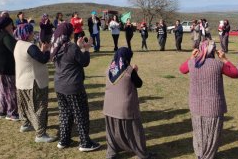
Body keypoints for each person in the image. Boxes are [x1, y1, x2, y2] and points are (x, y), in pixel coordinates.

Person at [179, 40, 238, 159]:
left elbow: (182, 69)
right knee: (211, 135)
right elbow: (236, 73)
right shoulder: (218, 64)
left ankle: (200, 154)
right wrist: (224, 59)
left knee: (198, 132)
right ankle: (208, 155)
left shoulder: (193, 63)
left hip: (196, 106)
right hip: (213, 107)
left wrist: (191, 57)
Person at [51, 23, 101, 151]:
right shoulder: (71, 47)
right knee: (81, 114)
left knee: (65, 113)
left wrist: (79, 47)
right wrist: (86, 48)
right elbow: (84, 61)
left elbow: (70, 59)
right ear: (69, 33)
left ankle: (64, 140)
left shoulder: (56, 46)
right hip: (72, 86)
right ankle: (85, 143)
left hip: (59, 86)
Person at [103, 47, 154, 159]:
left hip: (109, 107)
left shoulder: (108, 69)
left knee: (111, 131)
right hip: (125, 108)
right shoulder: (129, 71)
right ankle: (142, 153)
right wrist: (134, 71)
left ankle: (111, 153)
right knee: (135, 131)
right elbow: (139, 83)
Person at [14, 23, 57, 143]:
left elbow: (34, 57)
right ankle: (40, 134)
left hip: (21, 81)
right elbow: (43, 59)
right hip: (34, 82)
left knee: (24, 105)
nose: (34, 34)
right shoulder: (30, 46)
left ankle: (26, 124)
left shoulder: (18, 44)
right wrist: (47, 50)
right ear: (27, 34)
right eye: (32, 32)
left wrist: (42, 51)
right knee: (40, 107)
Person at [0, 16, 19, 121]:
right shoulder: (5, 36)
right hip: (5, 67)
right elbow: (15, 49)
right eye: (11, 24)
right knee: (10, 90)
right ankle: (11, 113)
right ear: (5, 26)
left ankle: (2, 111)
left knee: (2, 90)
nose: (12, 26)